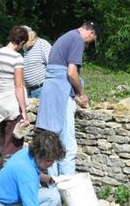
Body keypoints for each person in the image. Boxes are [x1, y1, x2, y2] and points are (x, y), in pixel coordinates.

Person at [35, 21, 99, 176]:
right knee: (68, 145)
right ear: (91, 34)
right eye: (91, 41)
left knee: (51, 141)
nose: (88, 44)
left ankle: (52, 184)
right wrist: (81, 93)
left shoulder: (64, 37)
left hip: (50, 90)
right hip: (61, 94)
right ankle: (67, 186)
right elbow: (71, 73)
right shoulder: (77, 39)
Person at [0, 130, 65, 206]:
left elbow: (32, 171)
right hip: (1, 203)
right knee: (53, 198)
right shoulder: (28, 175)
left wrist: (48, 179)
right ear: (39, 154)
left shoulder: (28, 153)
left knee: (53, 196)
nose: (50, 165)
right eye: (48, 161)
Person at [0, 26, 29, 161]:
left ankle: (5, 170)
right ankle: (9, 174)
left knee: (3, 139)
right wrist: (24, 111)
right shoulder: (17, 58)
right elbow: (18, 86)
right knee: (13, 143)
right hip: (12, 103)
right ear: (22, 42)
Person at [23, 26, 51, 98]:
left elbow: (52, 65)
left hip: (41, 89)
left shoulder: (42, 44)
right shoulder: (26, 47)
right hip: (30, 90)